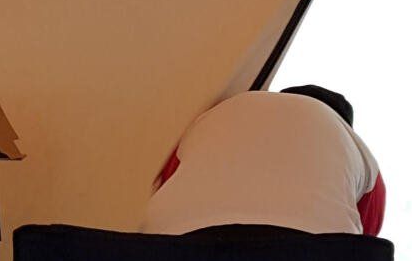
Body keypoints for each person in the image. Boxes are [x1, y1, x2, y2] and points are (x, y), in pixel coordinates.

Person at [141, 84, 385, 236]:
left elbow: (166, 178)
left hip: (169, 246)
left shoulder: (218, 112)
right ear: (346, 125)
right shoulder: (359, 153)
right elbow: (365, 241)